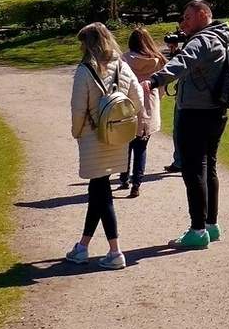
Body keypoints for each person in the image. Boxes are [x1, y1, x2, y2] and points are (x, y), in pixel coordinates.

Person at [148, 0, 229, 250]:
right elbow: (190, 64)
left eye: (187, 17)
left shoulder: (201, 40)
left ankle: (197, 231)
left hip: (195, 113)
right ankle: (210, 225)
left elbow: (182, 63)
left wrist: (154, 80)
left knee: (193, 170)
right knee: (209, 167)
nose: (182, 23)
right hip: (215, 112)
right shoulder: (219, 37)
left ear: (203, 14)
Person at [66, 22, 144, 269]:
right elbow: (138, 99)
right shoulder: (122, 65)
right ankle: (82, 246)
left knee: (102, 193)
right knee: (98, 191)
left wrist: (76, 132)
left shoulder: (84, 71)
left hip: (93, 137)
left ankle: (115, 251)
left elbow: (78, 109)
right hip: (117, 136)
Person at [118, 28, 166, 198]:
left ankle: (124, 178)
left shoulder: (123, 59)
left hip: (128, 106)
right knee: (141, 148)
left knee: (125, 145)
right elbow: (162, 87)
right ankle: (136, 184)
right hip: (148, 106)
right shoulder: (158, 61)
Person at [161, 32, 184, 173]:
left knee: (179, 130)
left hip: (185, 97)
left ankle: (180, 162)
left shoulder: (184, 54)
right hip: (186, 95)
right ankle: (181, 161)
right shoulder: (180, 53)